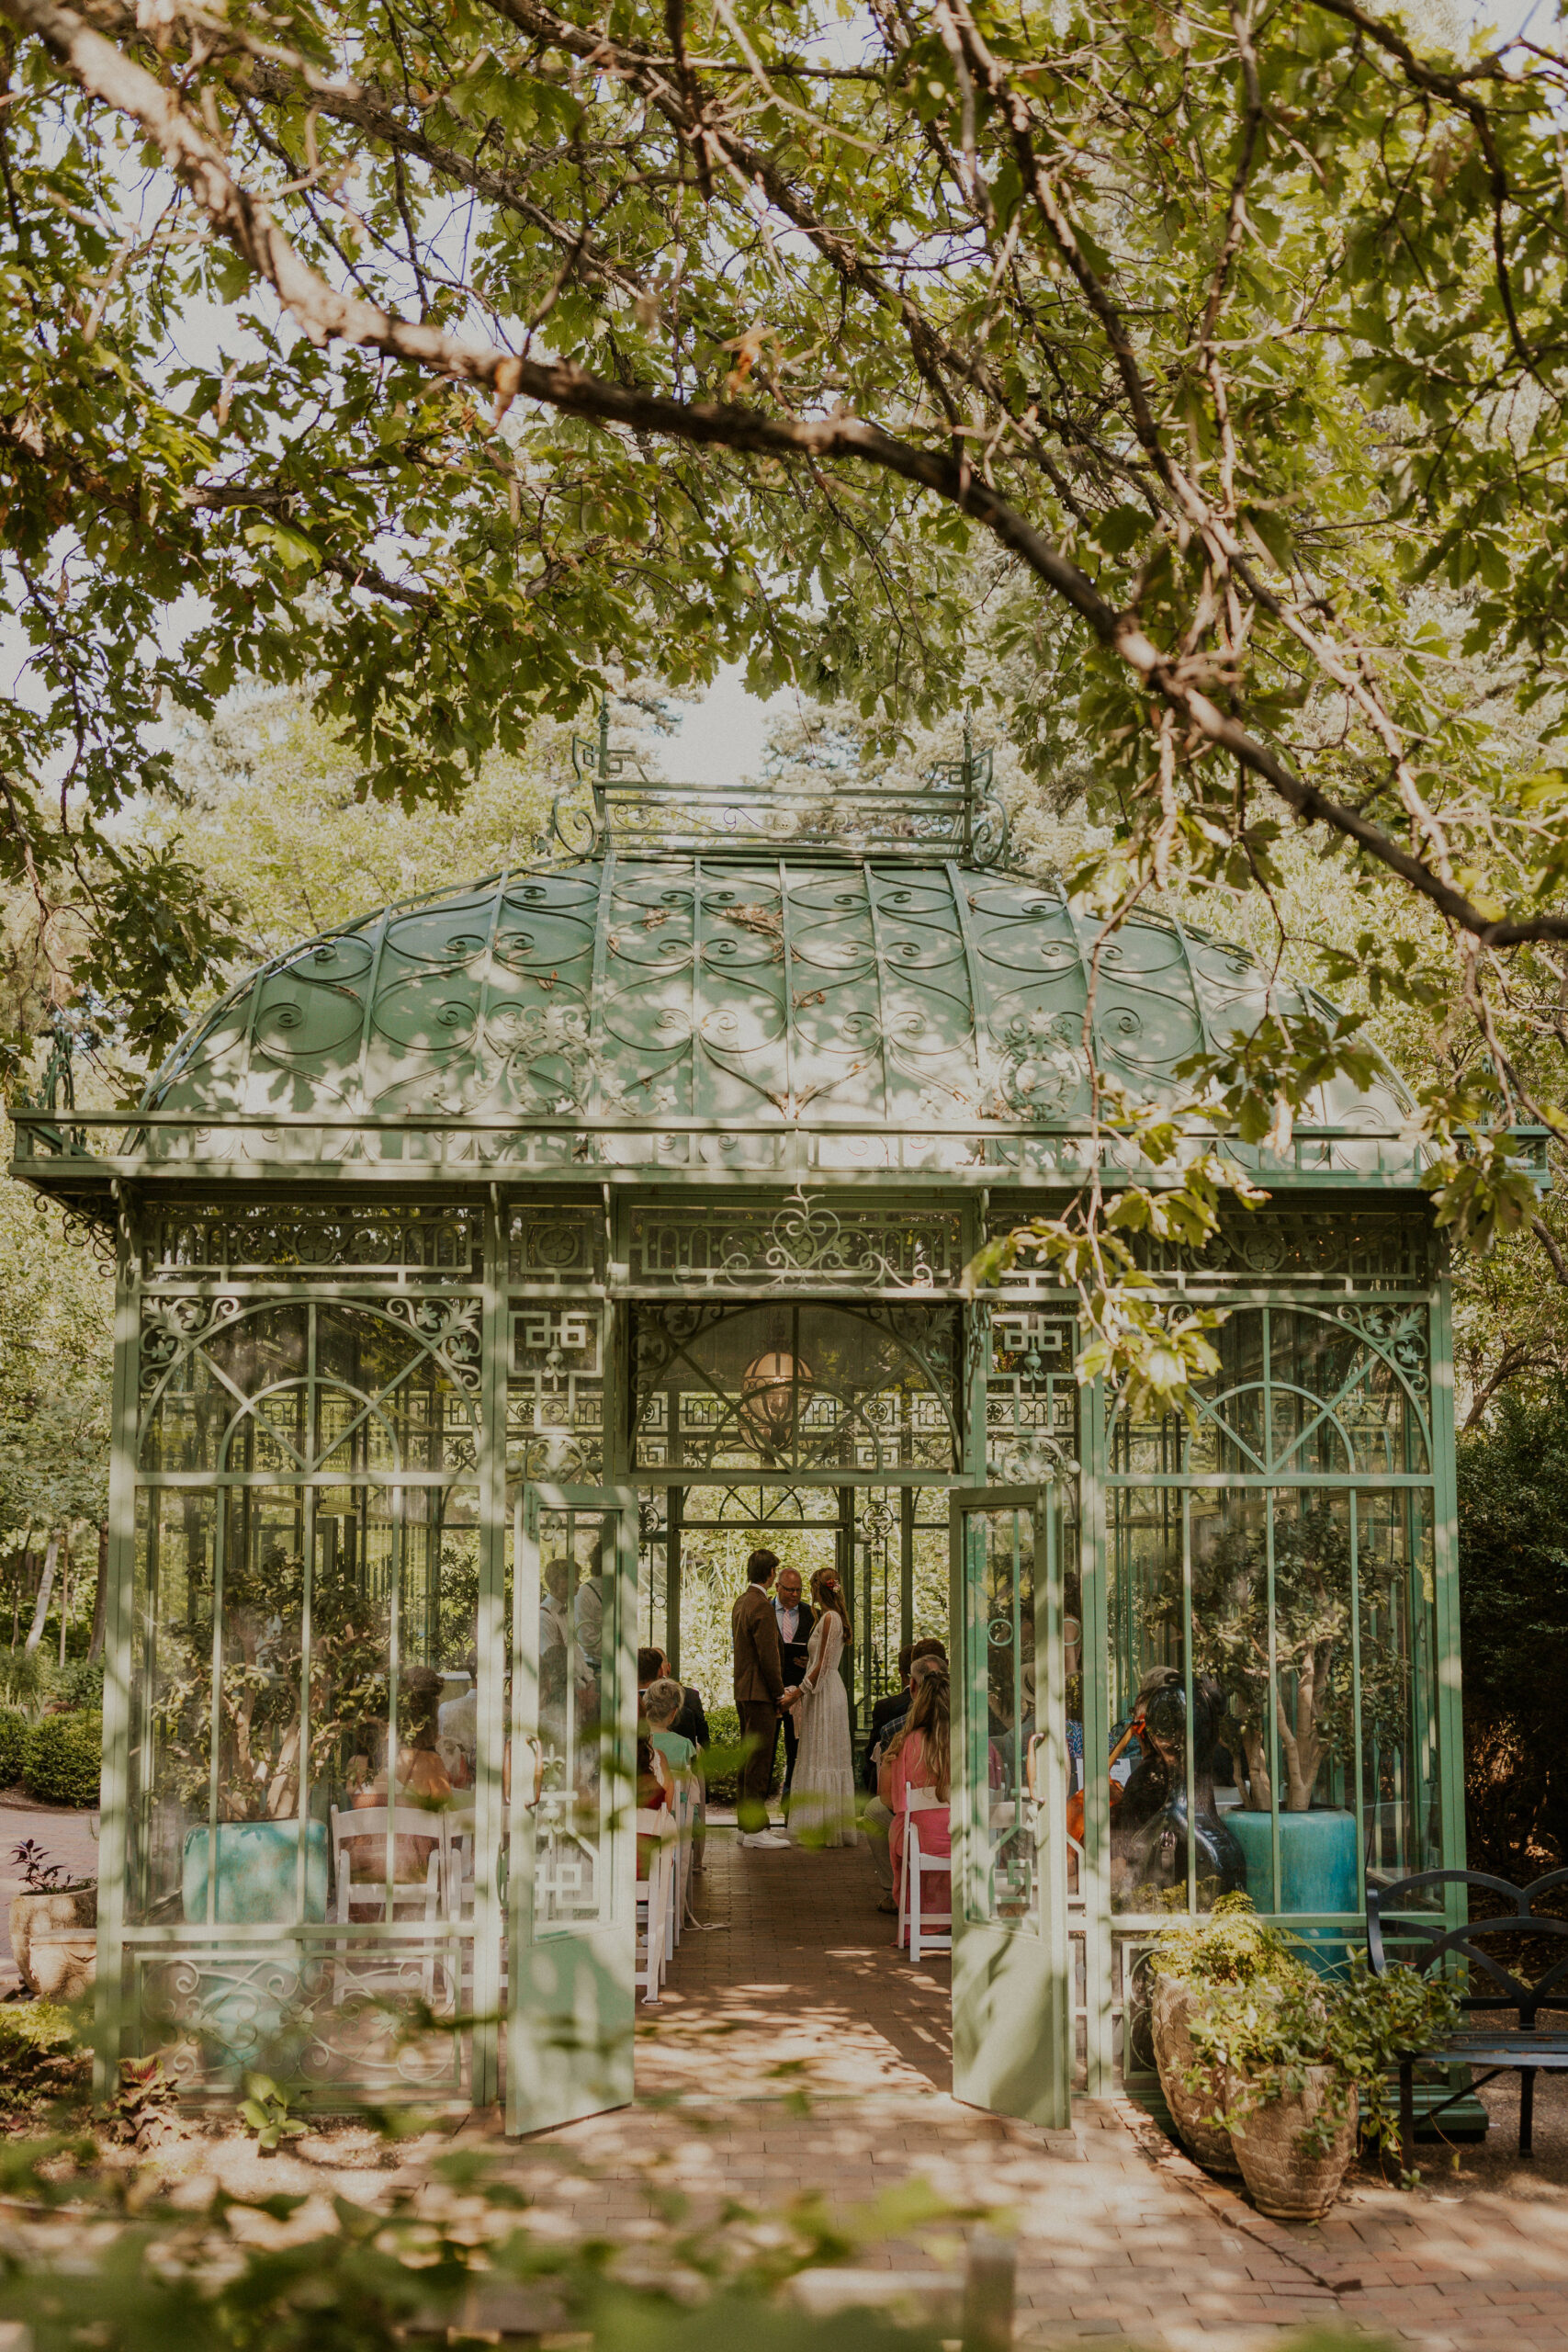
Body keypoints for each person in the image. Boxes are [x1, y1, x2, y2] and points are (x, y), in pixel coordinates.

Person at [864, 1645, 945, 1910]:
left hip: (923, 1833)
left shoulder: (901, 1738)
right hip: (967, 1833)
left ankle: (895, 1893)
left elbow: (889, 1798)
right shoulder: (975, 1732)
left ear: (912, 1686)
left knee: (875, 1810)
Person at [730, 1547, 797, 1848]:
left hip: (744, 1690)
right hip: (760, 1693)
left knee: (748, 1760)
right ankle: (756, 1830)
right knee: (759, 1761)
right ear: (771, 1574)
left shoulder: (742, 1601)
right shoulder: (761, 1605)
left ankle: (747, 1826)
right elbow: (768, 1655)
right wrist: (778, 1692)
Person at [786, 1566, 857, 1847]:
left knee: (824, 1756)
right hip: (823, 1688)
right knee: (819, 1754)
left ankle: (823, 1827)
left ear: (819, 1588)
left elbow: (825, 1665)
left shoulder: (829, 1618)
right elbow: (821, 1659)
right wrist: (807, 1664)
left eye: (812, 1586)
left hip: (825, 1692)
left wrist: (797, 1694)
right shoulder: (831, 1617)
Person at [883, 1664, 952, 1946]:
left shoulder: (906, 1743)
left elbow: (892, 1801)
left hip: (920, 1841)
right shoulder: (972, 1743)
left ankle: (917, 1922)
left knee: (901, 1827)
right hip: (966, 1839)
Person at [773, 1566, 816, 1805]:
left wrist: (810, 1661)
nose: (795, 1595)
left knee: (797, 1752)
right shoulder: (764, 1611)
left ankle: (791, 1807)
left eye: (799, 1590)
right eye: (790, 1590)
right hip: (770, 1692)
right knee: (765, 1753)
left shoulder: (813, 1614)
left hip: (800, 1694)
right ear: (778, 1586)